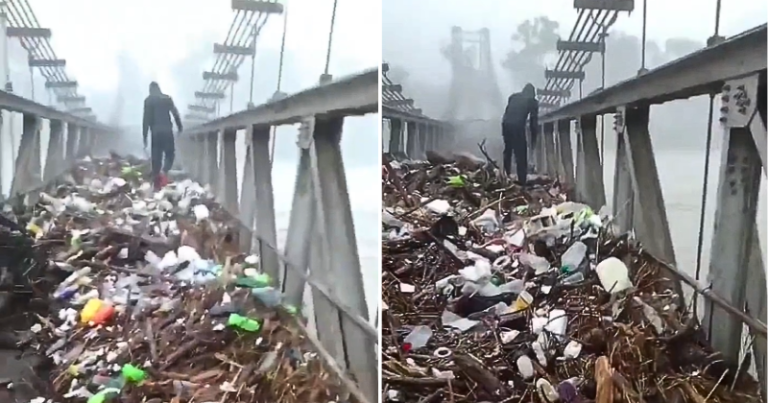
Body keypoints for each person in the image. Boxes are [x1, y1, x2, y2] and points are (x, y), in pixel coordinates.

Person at [143, 81, 183, 190]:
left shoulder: (148, 101)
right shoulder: (167, 99)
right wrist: (179, 127)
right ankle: (164, 171)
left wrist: (145, 136)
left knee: (156, 157)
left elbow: (146, 119)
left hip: (155, 133)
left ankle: (156, 184)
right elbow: (175, 113)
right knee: (170, 154)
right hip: (167, 131)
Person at [501, 83, 538, 186]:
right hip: (517, 126)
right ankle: (522, 181)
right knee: (521, 154)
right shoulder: (532, 102)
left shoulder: (513, 97)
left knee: (508, 150)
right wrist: (533, 139)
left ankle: (506, 175)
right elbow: (533, 122)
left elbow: (508, 112)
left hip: (505, 124)